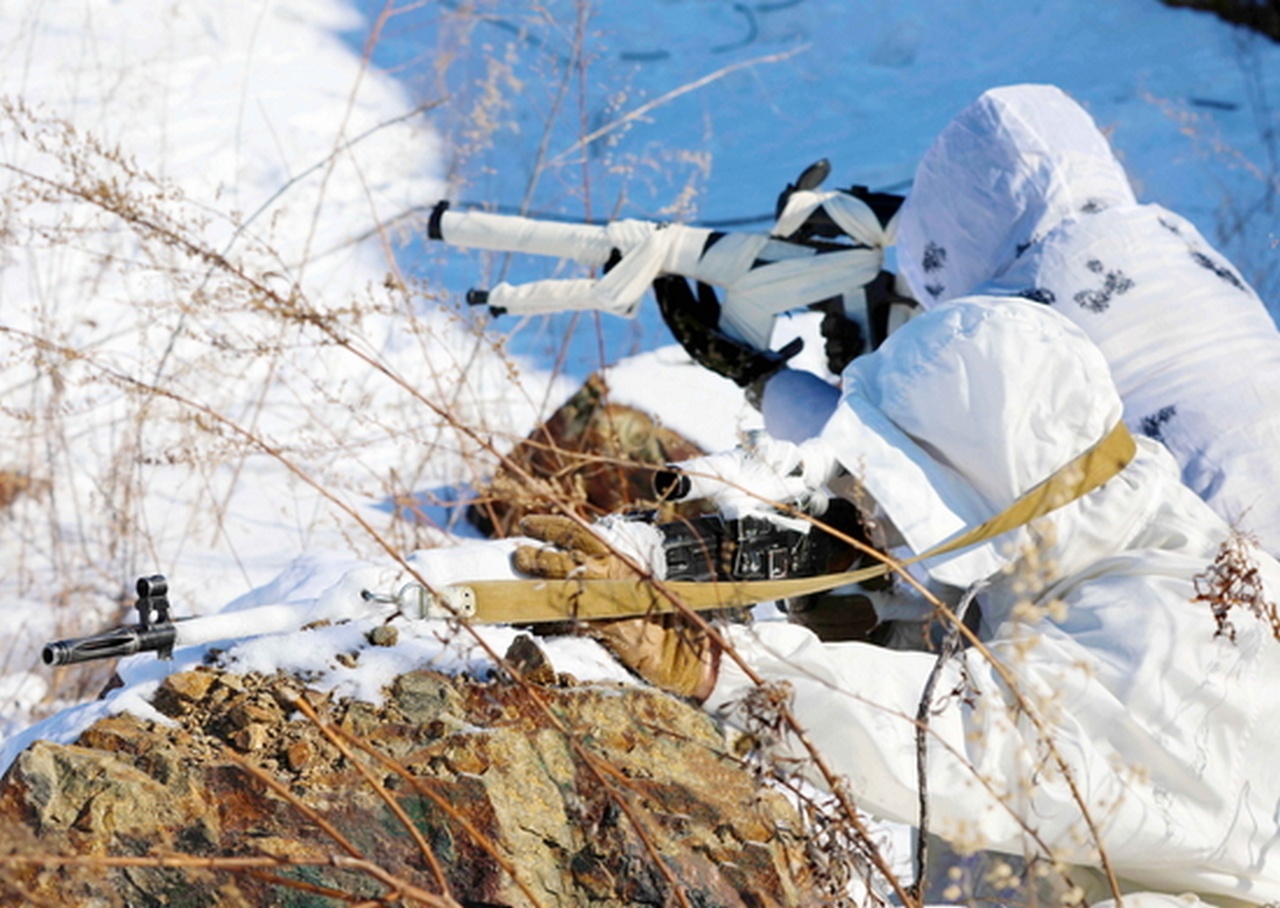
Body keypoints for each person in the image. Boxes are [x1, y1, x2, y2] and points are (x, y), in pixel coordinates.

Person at [504, 86, 1280, 903]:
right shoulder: (1153, 269)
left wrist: (728, 668)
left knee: (1023, 858)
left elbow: (972, 747)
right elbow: (1009, 485)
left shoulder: (1144, 613)